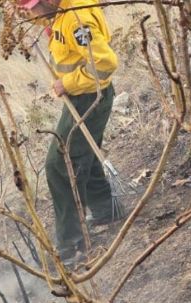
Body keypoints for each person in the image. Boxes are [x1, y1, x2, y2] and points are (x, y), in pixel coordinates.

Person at [17, 0, 119, 263]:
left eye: (31, 6)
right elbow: (49, 20)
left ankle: (71, 244)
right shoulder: (60, 10)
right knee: (85, 153)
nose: (29, 12)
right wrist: (28, 19)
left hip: (89, 99)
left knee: (59, 165)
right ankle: (106, 210)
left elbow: (105, 65)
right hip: (82, 96)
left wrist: (67, 82)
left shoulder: (76, 20)